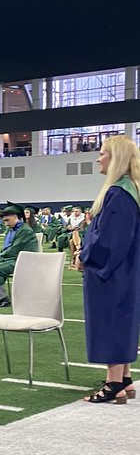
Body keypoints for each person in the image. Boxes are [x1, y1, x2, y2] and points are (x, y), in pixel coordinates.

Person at [77, 136, 140, 404]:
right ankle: (124, 379)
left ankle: (113, 382)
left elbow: (108, 241)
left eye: (102, 154)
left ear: (116, 159)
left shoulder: (118, 193)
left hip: (112, 273)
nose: (98, 158)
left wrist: (85, 255)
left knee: (112, 322)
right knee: (123, 320)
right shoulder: (130, 191)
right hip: (126, 270)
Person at [0, 202, 40, 306]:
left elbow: (15, 249)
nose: (5, 223)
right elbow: (8, 249)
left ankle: (3, 298)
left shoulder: (25, 231)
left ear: (15, 217)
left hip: (23, 261)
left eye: (7, 220)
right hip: (11, 259)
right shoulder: (11, 230)